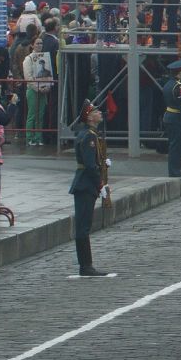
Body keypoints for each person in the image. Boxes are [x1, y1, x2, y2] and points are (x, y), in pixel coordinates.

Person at [69, 103, 115, 278]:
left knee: (84, 226)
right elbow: (88, 165)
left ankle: (86, 264)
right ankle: (85, 265)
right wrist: (100, 184)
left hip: (86, 183)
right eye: (96, 112)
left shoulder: (91, 134)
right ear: (89, 117)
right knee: (83, 227)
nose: (99, 113)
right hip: (85, 184)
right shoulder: (89, 136)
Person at [161, 59, 181, 178]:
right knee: (177, 147)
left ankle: (174, 171)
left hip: (170, 116)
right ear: (179, 73)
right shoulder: (179, 87)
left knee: (174, 145)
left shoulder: (168, 84)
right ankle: (175, 171)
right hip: (178, 119)